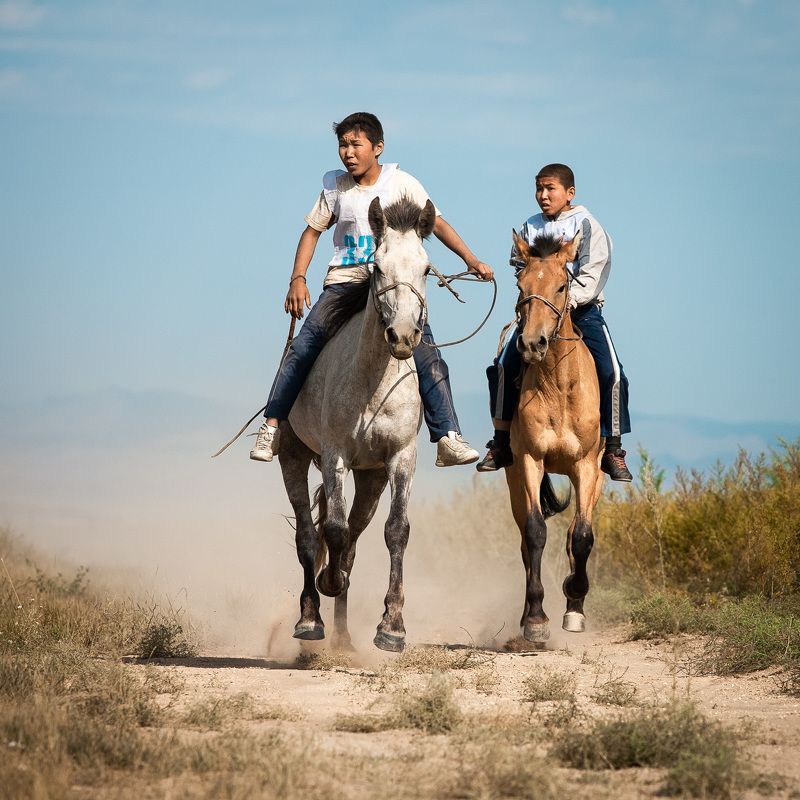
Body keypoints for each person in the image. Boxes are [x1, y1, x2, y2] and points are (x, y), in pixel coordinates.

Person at [251, 111, 494, 467]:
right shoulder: (335, 187)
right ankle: (272, 426)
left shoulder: (403, 184)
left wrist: (471, 259)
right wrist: (298, 279)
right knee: (303, 346)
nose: (348, 153)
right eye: (343, 145)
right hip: (344, 282)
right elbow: (312, 232)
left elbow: (436, 223)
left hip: (392, 285)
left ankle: (447, 436)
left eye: (356, 145)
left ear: (377, 148)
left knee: (427, 353)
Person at [476, 163, 633, 481]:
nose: (543, 195)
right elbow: (521, 269)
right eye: (539, 189)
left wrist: (569, 301)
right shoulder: (528, 227)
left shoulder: (587, 224)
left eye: (551, 189)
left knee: (613, 372)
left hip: (582, 312)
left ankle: (613, 448)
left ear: (569, 193)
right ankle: (502, 441)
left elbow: (595, 271)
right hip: (538, 313)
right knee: (503, 367)